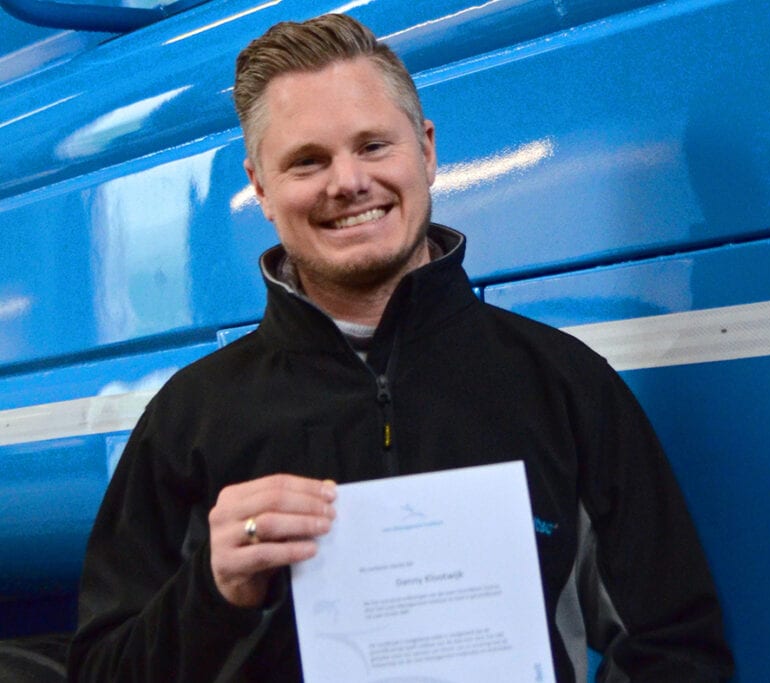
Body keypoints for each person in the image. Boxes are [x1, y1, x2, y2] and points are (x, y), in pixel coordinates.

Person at [68, 13, 733, 682]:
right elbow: (100, 672)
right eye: (308, 160)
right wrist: (213, 594)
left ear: (427, 150)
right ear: (262, 188)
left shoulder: (564, 385)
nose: (348, 182)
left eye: (373, 145)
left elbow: (677, 648)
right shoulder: (190, 418)